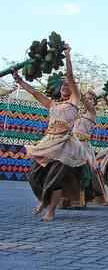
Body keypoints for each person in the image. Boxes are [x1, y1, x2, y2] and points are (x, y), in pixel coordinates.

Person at [13, 44, 88, 221]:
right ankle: (44, 199)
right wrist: (19, 80)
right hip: (48, 142)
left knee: (55, 179)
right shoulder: (52, 104)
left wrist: (67, 55)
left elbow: (70, 76)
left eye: (67, 84)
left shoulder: (75, 101)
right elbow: (33, 92)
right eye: (62, 84)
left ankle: (50, 211)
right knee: (33, 176)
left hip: (64, 144)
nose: (64, 85)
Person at [68, 90, 106, 207]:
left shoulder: (92, 112)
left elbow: (87, 105)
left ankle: (80, 201)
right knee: (70, 171)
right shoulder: (80, 114)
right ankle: (69, 198)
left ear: (94, 103)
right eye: (86, 98)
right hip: (73, 143)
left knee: (81, 172)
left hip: (83, 145)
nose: (87, 100)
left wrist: (78, 93)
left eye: (90, 99)